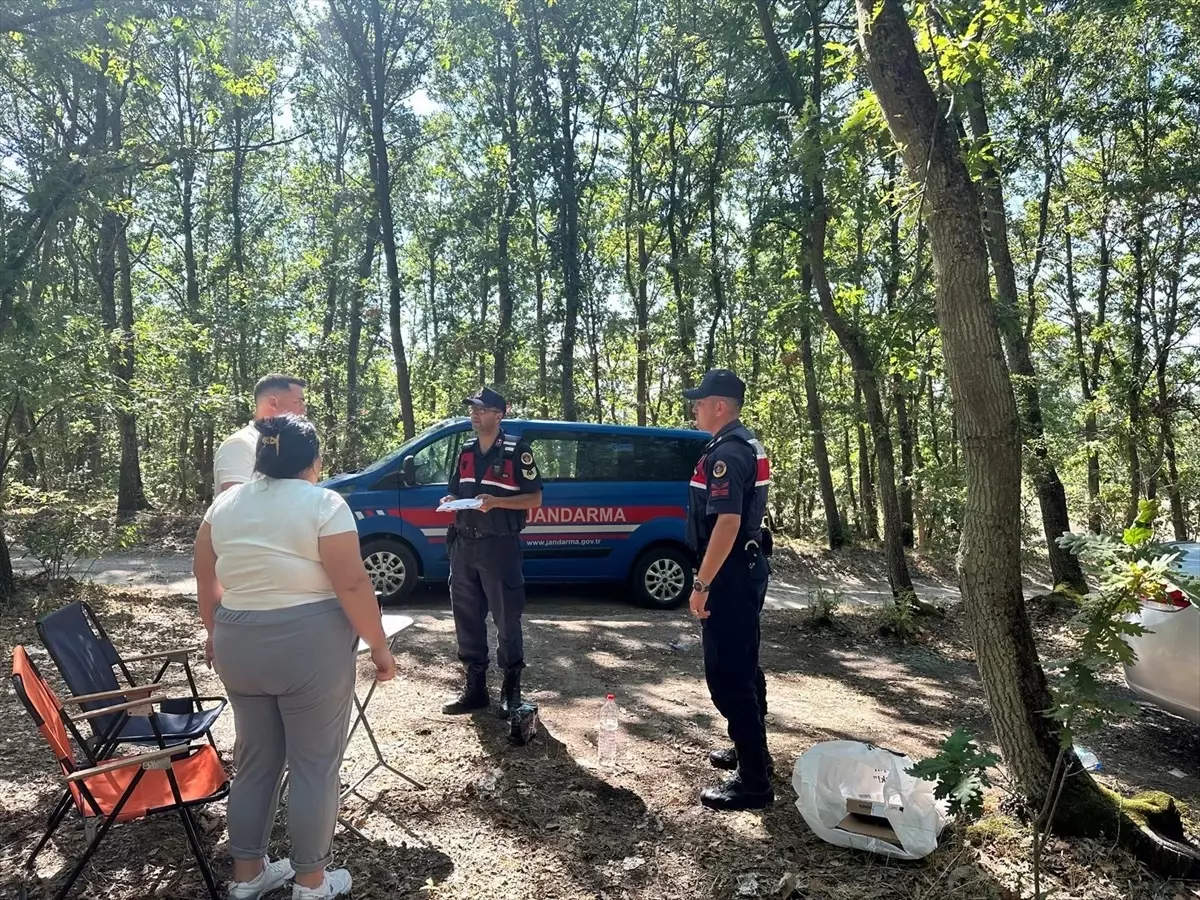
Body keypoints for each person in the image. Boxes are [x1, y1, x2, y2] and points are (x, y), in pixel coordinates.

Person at [193, 414, 396, 900]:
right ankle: (311, 882)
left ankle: (248, 875)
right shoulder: (324, 503)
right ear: (313, 461)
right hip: (309, 643)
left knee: (255, 761)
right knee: (314, 764)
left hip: (239, 639)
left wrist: (215, 631)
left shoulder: (223, 506)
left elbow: (206, 578)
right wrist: (380, 647)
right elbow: (352, 584)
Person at [683, 368, 774, 811]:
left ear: (720, 406)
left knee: (728, 676)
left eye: (700, 402)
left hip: (730, 573)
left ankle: (754, 783)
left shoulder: (728, 453)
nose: (694, 409)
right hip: (745, 567)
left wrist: (702, 583)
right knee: (745, 664)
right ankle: (754, 752)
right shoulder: (741, 443)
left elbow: (728, 523)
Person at [439, 387, 543, 718]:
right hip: (464, 545)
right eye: (473, 408)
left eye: (481, 409)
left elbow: (535, 499)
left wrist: (497, 502)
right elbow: (456, 490)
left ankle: (511, 692)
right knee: (467, 619)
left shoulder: (516, 451)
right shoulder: (466, 450)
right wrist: (450, 501)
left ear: (499, 415)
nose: (474, 414)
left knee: (506, 620)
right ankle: (475, 690)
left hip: (499, 547)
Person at [214, 374, 308, 496]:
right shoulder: (239, 444)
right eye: (298, 402)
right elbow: (236, 503)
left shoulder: (285, 444)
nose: (303, 410)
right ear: (273, 403)